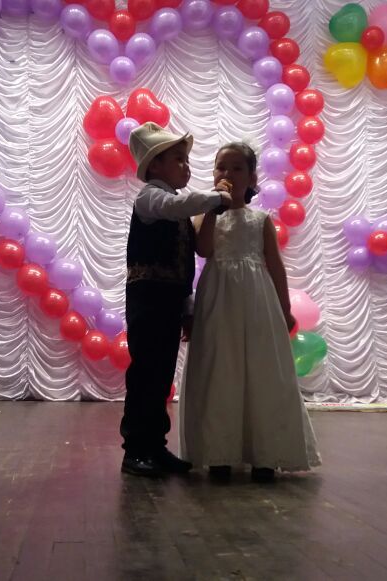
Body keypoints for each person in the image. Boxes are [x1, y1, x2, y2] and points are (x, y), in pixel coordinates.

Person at [181, 142, 321, 483]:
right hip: (218, 299)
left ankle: (265, 453)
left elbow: (276, 267)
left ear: (252, 177)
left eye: (236, 168)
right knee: (220, 369)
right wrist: (213, 208)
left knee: (261, 370)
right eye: (221, 167)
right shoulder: (205, 214)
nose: (227, 174)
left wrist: (285, 309)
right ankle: (219, 453)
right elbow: (204, 249)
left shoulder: (260, 220)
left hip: (257, 301)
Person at [120, 122, 232, 478]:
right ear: (154, 166)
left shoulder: (176, 209)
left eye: (187, 159)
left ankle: (155, 445)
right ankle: (135, 450)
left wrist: (187, 309)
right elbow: (177, 206)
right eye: (179, 159)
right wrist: (216, 198)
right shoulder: (152, 197)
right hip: (148, 301)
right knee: (146, 374)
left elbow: (183, 267)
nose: (187, 166)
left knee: (161, 375)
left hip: (168, 302)